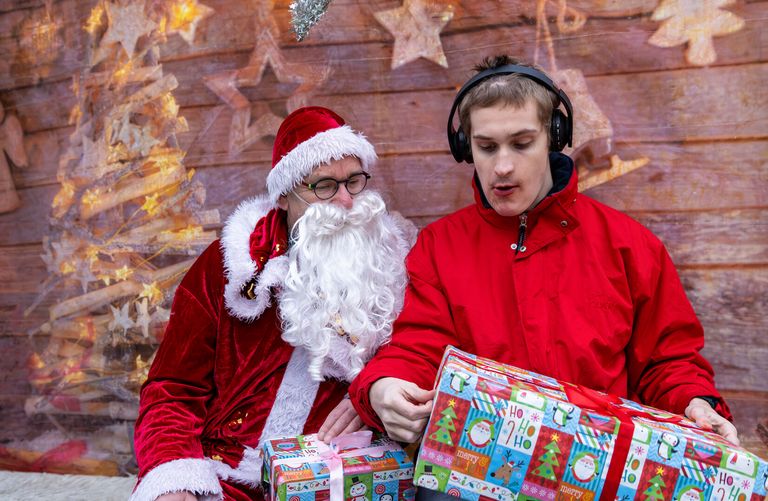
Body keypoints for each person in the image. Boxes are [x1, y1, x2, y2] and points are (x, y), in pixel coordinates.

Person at [348, 56, 738, 448]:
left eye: (521, 144)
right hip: (479, 475)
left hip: (598, 471)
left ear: (553, 135)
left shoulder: (629, 245)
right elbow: (418, 348)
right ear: (466, 147)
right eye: (486, 147)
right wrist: (383, 386)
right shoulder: (439, 246)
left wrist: (695, 403)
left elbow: (667, 361)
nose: (502, 166)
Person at [131, 106, 414, 501]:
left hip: (336, 476)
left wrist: (370, 388)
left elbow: (417, 353)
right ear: (284, 196)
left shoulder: (389, 267)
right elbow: (172, 388)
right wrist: (173, 480)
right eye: (325, 187)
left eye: (354, 182)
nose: (347, 202)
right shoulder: (231, 267)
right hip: (224, 472)